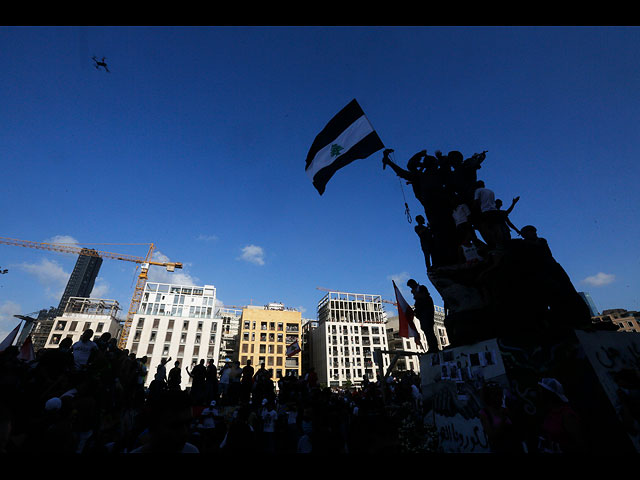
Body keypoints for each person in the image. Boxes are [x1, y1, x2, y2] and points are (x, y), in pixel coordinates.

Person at [536, 377, 585, 453]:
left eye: (543, 391)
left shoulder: (567, 414)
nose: (540, 393)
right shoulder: (549, 413)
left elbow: (579, 442)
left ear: (550, 395)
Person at [479, 382, 522, 453]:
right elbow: (491, 435)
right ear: (488, 397)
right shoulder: (484, 413)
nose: (498, 397)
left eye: (499, 394)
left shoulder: (504, 408)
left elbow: (517, 427)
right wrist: (503, 418)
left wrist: (510, 415)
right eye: (495, 395)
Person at [407, 279, 439, 353]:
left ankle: (434, 347)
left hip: (427, 313)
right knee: (426, 330)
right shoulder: (418, 294)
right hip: (422, 314)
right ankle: (432, 347)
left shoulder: (422, 290)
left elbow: (423, 300)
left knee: (429, 330)